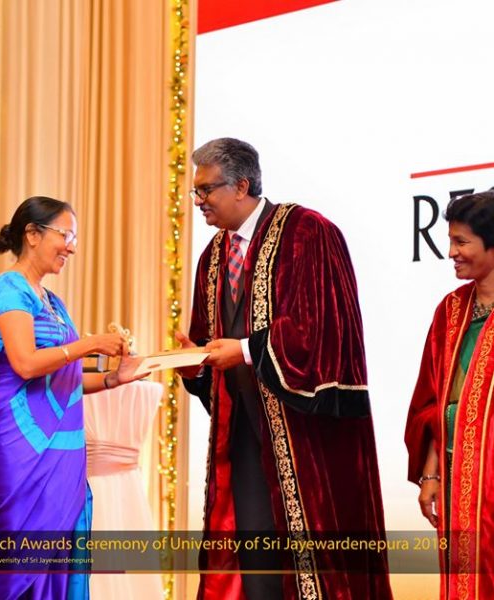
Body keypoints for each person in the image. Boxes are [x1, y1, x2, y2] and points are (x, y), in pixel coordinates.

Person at [177, 138, 393, 600]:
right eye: (195, 191)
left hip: (307, 435)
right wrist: (191, 361)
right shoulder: (211, 258)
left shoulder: (308, 233)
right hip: (244, 435)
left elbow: (321, 332)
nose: (197, 201)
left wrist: (245, 350)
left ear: (241, 186)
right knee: (256, 563)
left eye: (205, 190)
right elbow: (207, 345)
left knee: (316, 565)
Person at [0, 196, 145, 599]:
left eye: (74, 238)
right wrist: (90, 344)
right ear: (32, 234)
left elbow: (62, 379)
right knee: (19, 560)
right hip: (23, 448)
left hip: (63, 451)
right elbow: (26, 363)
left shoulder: (54, 303)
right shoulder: (9, 289)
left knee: (58, 559)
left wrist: (114, 378)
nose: (72, 247)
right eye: (66, 235)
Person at [405, 190, 494, 599]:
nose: (451, 252)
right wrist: (431, 475)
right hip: (459, 480)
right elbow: (433, 403)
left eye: (462, 242)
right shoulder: (451, 309)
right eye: (451, 241)